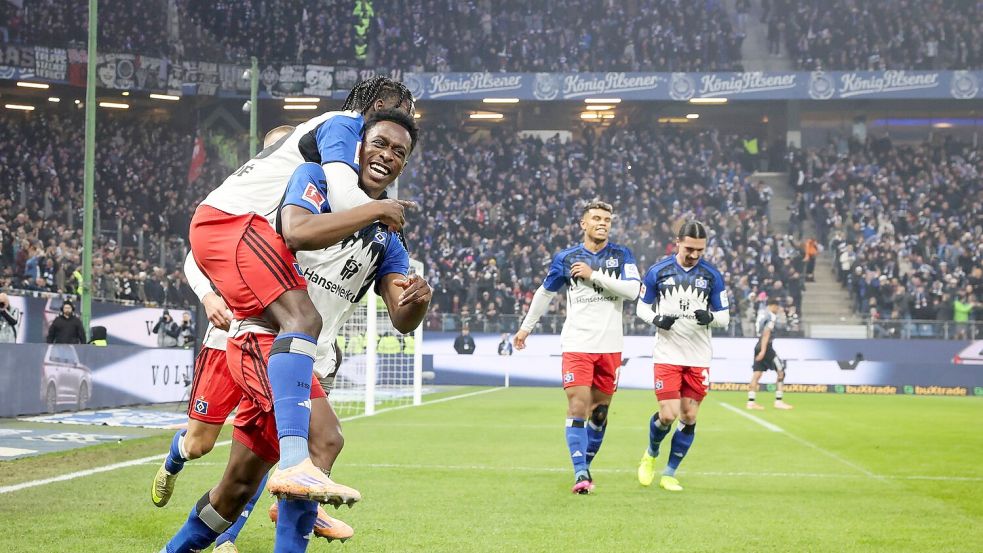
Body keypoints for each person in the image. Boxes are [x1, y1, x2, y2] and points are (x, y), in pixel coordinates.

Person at [161, 111, 428, 553]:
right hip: (259, 340)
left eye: (399, 152)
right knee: (324, 439)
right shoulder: (314, 180)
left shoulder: (388, 243)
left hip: (301, 366)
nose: (387, 155)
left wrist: (419, 301)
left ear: (404, 165)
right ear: (357, 146)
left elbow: (401, 317)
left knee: (236, 490)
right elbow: (296, 231)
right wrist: (375, 209)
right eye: (379, 143)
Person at [514, 199, 640, 494]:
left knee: (599, 414)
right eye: (596, 218)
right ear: (583, 223)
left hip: (610, 347)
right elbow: (544, 294)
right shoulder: (566, 258)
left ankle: (585, 462)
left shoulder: (622, 255)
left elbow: (633, 290)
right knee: (578, 406)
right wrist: (525, 328)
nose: (602, 223)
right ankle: (580, 472)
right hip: (577, 344)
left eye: (606, 220)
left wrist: (594, 275)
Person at [636, 221, 730, 492]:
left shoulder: (712, 276)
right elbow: (641, 308)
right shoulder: (658, 271)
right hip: (667, 353)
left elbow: (724, 316)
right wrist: (657, 319)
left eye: (700, 250)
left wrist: (710, 317)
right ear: (677, 241)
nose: (695, 254)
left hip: (699, 357)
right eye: (690, 248)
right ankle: (651, 454)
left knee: (689, 416)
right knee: (668, 414)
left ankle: (669, 473)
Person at [747, 298, 793, 410]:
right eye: (777, 307)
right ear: (773, 306)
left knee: (757, 374)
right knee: (781, 371)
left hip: (758, 344)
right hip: (766, 345)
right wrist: (763, 350)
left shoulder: (761, 313)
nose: (778, 309)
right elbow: (766, 333)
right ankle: (778, 401)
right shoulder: (771, 316)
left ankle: (751, 402)